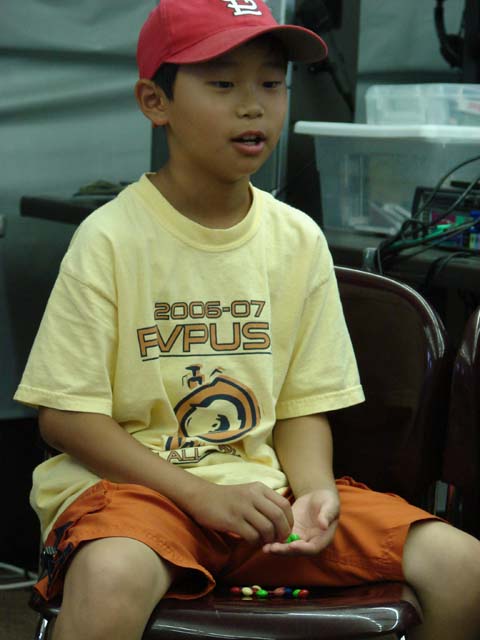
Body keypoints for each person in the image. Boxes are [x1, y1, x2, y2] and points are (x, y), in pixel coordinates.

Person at [15, 1, 480, 639]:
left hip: (262, 499)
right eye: (223, 83)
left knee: (463, 567)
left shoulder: (297, 239)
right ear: (155, 101)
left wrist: (315, 492)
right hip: (136, 496)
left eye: (270, 83)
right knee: (111, 577)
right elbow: (65, 416)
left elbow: (302, 406)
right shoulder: (110, 238)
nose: (252, 106)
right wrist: (198, 495)